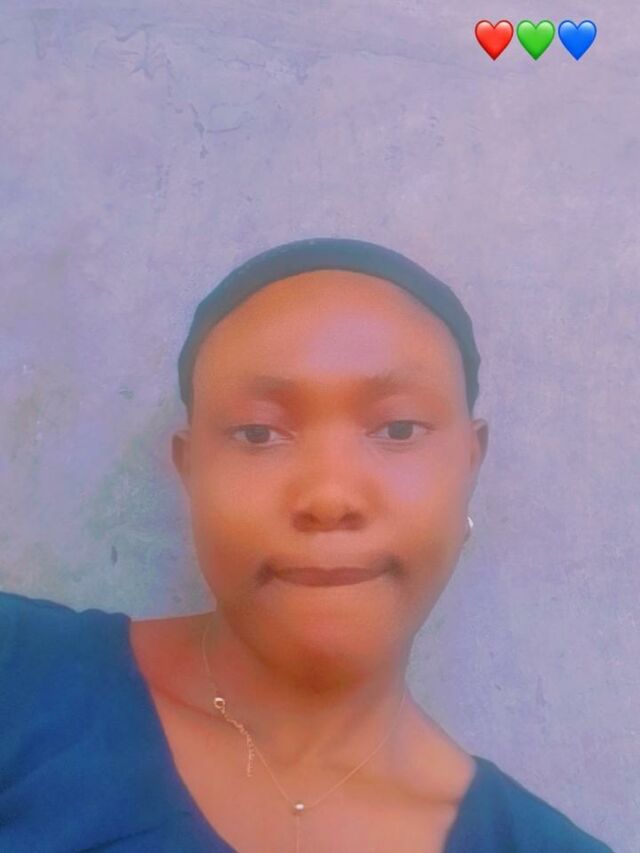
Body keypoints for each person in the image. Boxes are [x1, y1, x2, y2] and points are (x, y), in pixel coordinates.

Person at [0, 237, 615, 852]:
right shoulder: (21, 679)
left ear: (469, 463)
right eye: (258, 434)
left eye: (398, 428)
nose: (329, 496)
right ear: (190, 471)